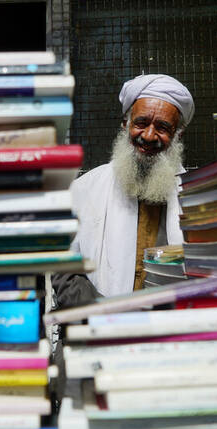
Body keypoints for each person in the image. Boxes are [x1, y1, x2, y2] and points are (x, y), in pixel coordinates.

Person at [53, 74, 194, 306]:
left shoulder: (194, 197)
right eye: (141, 123)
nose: (149, 136)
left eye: (162, 127)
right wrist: (104, 313)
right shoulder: (85, 189)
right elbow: (65, 268)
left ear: (178, 134)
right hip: (99, 322)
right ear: (125, 124)